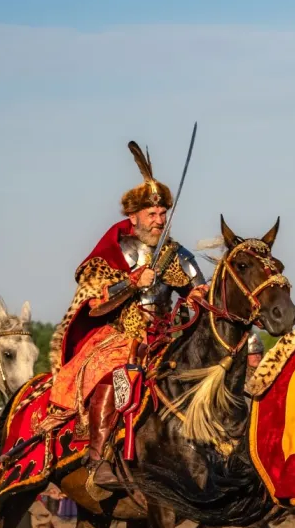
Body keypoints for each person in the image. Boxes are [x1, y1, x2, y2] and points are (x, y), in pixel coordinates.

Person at [47, 142, 204, 490]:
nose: (159, 220)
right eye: (152, 214)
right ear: (133, 217)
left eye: (162, 214)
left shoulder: (176, 254)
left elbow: (198, 292)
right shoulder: (112, 253)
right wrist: (132, 282)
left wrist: (194, 300)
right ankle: (98, 458)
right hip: (120, 334)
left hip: (166, 335)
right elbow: (94, 304)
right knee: (114, 373)